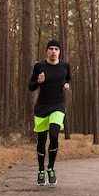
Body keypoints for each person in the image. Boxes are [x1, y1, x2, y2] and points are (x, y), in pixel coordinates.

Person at [28, 39, 71, 186]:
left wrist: (67, 85)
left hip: (58, 105)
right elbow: (31, 87)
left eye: (56, 49)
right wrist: (38, 82)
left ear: (59, 51)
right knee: (41, 140)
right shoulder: (39, 66)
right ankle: (41, 170)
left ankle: (51, 169)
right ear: (47, 51)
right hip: (42, 107)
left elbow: (69, 78)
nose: (53, 51)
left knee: (54, 135)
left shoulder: (65, 66)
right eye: (51, 48)